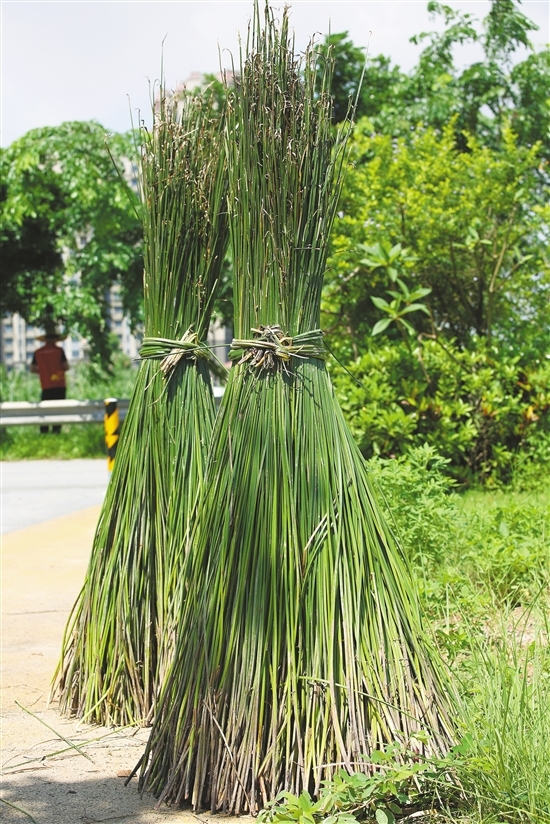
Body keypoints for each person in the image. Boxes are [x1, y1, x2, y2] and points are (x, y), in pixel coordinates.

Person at [30, 326, 70, 434]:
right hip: (59, 384)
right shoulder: (59, 351)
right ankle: (56, 431)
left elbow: (32, 369)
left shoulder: (38, 352)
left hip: (46, 385)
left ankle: (44, 432)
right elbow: (66, 366)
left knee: (45, 409)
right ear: (56, 339)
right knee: (58, 409)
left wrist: (43, 371)